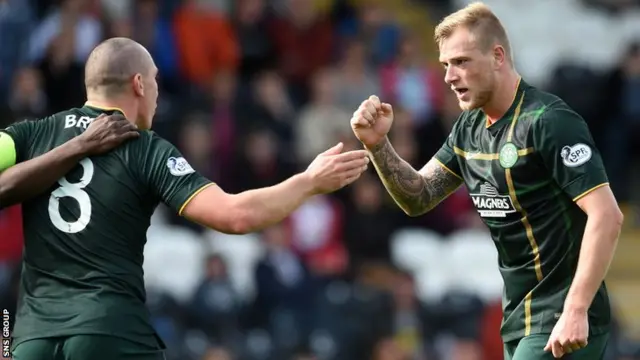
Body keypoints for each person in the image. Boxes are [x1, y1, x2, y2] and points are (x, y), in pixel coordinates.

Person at [0, 37, 369, 360]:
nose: (159, 95)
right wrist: (308, 182)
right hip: (109, 330)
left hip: (32, 337)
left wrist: (68, 149)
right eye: (156, 81)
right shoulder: (145, 148)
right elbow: (235, 215)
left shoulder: (33, 133)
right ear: (139, 84)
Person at [350, 3, 622, 360]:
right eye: (446, 64)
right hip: (518, 320)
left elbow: (607, 215)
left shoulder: (548, 121)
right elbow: (418, 196)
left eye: (461, 61)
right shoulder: (470, 128)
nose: (449, 76)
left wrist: (575, 309)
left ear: (497, 56)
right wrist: (377, 145)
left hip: (561, 318)